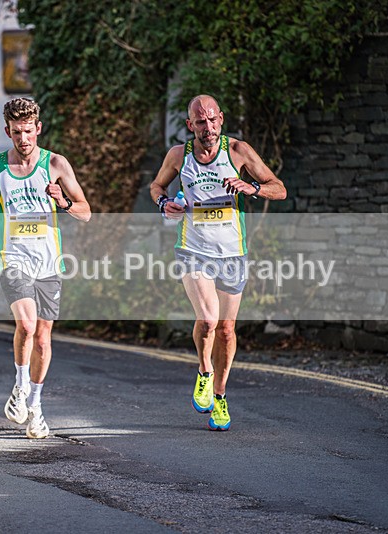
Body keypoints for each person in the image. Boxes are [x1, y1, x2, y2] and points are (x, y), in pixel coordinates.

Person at [150, 94, 286, 431]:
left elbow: (279, 188)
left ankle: (220, 397)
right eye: (200, 121)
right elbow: (156, 186)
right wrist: (164, 203)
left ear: (221, 119)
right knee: (208, 319)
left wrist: (251, 187)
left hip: (232, 253)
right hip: (193, 249)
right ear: (189, 125)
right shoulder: (179, 156)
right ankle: (204, 372)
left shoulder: (238, 151)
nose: (207, 127)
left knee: (226, 330)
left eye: (212, 120)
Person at [0, 97, 91, 439]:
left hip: (48, 260)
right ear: (7, 131)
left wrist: (63, 201)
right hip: (12, 255)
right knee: (26, 322)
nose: (23, 138)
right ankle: (20, 386)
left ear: (38, 129)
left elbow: (86, 211)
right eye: (16, 132)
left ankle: (35, 407)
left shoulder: (55, 164)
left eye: (28, 131)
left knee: (43, 335)